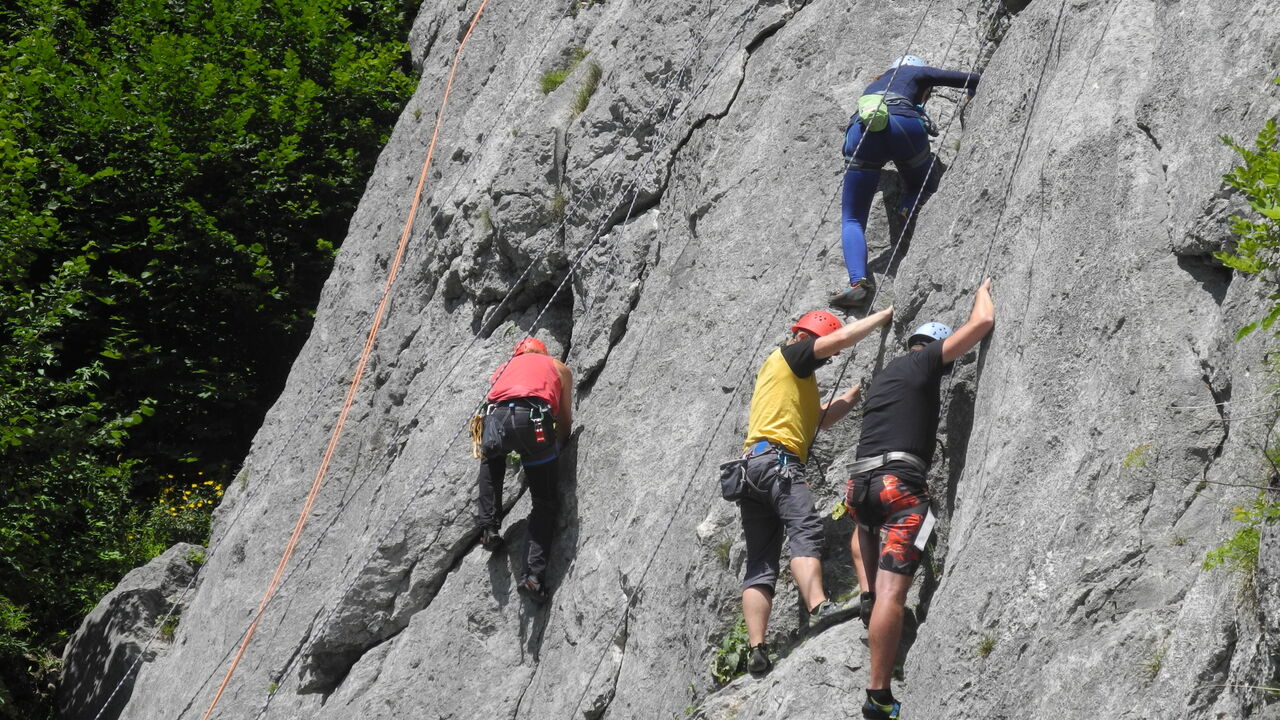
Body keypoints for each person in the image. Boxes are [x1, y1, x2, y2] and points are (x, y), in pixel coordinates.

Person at [845, 279, 994, 720]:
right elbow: (981, 323)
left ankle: (866, 592)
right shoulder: (924, 361)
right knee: (896, 594)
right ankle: (878, 695)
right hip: (900, 489)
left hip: (861, 487)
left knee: (865, 525)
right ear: (930, 347)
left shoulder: (885, 380)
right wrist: (983, 289)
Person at [734, 305, 893, 675]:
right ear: (807, 338)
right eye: (825, 353)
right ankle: (819, 606)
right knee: (804, 529)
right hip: (779, 464)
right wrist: (881, 317)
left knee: (761, 561)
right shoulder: (793, 353)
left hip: (751, 470)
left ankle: (756, 648)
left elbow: (818, 420)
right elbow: (840, 338)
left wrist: (852, 398)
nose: (827, 359)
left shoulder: (787, 378)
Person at [831, 56, 981, 310]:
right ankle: (909, 205)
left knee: (853, 219)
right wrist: (970, 94)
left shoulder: (875, 84)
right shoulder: (914, 72)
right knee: (921, 185)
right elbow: (972, 78)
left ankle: (858, 284)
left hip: (862, 130)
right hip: (903, 124)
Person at [473, 337, 573, 603]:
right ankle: (532, 577)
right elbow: (563, 416)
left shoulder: (504, 368)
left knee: (491, 460)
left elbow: (493, 398)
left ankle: (488, 527)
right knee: (544, 503)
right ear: (543, 352)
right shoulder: (557, 366)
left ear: (517, 354)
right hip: (534, 424)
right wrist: (561, 444)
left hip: (497, 420)